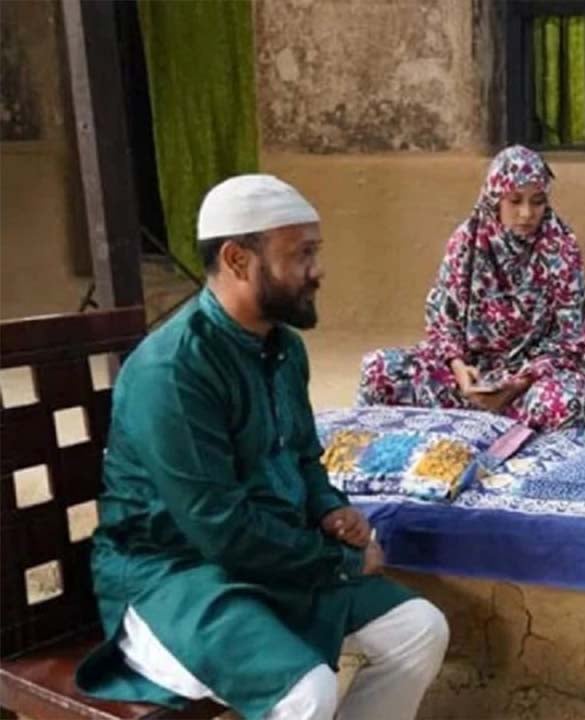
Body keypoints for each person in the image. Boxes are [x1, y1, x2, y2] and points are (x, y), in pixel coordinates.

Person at [75, 175, 449, 719]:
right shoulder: (174, 371)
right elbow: (219, 528)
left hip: (266, 563)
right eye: (302, 254)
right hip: (172, 579)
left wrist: (329, 507)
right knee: (305, 692)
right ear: (237, 258)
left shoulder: (283, 349)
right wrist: (344, 560)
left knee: (419, 629)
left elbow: (300, 455)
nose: (317, 271)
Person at [358, 145, 585, 430]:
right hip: (470, 380)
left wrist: (515, 385)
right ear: (494, 199)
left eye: (537, 201)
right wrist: (461, 371)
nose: (526, 213)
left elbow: (571, 337)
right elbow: (443, 319)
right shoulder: (467, 242)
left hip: (532, 382)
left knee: (566, 401)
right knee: (380, 369)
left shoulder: (560, 247)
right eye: (515, 201)